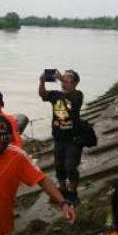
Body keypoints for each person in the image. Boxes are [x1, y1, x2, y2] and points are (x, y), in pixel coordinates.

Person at [38, 69, 84, 204]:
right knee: (59, 167)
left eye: (68, 80)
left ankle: (73, 194)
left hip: (73, 139)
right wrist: (42, 81)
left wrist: (61, 79)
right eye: (63, 79)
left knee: (71, 166)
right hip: (58, 139)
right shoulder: (56, 95)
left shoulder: (78, 95)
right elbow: (43, 95)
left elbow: (73, 98)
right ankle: (63, 191)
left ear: (75, 83)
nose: (64, 82)